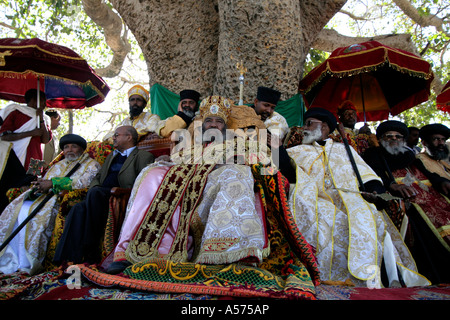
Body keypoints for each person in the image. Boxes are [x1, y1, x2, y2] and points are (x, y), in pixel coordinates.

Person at [106, 96, 269, 274]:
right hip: (184, 182)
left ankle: (224, 252)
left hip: (213, 183)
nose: (213, 125)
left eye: (218, 121)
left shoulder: (238, 143)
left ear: (225, 126)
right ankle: (129, 251)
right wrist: (165, 160)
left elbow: (262, 159)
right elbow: (177, 161)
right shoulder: (191, 146)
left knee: (237, 173)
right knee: (151, 173)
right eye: (209, 121)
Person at [280, 108, 429, 287]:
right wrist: (276, 148)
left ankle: (375, 277)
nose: (304, 128)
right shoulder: (297, 150)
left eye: (309, 123)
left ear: (325, 126)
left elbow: (367, 175)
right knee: (323, 217)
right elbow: (286, 172)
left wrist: (375, 193)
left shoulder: (345, 149)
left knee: (370, 216)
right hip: (315, 197)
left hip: (351, 197)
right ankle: (320, 274)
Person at [362, 120, 450, 284]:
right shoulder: (373, 155)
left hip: (433, 196)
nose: (394, 139)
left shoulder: (411, 157)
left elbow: (429, 175)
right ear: (380, 139)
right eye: (389, 136)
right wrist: (390, 185)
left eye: (398, 136)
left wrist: (441, 182)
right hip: (411, 202)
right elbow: (371, 180)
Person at [0, 134, 101, 275]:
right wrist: (38, 186)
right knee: (18, 209)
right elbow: (45, 181)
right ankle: (11, 258)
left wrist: (54, 184)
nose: (69, 150)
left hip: (62, 200)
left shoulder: (92, 164)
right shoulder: (57, 165)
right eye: (66, 147)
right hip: (43, 198)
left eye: (74, 146)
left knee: (34, 216)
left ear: (82, 149)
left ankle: (29, 262)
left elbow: (84, 183)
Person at [53, 126, 154, 265]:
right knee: (78, 208)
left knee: (95, 193)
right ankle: (65, 259)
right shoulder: (111, 156)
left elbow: (144, 181)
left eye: (117, 135)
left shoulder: (143, 156)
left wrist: (106, 191)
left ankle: (91, 251)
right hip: (98, 196)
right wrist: (94, 189)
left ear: (129, 137)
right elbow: (98, 178)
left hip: (120, 196)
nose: (113, 138)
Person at [0, 89, 52, 170]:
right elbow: (4, 137)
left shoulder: (44, 118)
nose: (45, 105)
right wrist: (31, 133)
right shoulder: (16, 113)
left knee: (34, 181)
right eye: (43, 101)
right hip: (15, 157)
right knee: (14, 181)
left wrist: (41, 120)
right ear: (35, 100)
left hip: (35, 159)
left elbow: (45, 140)